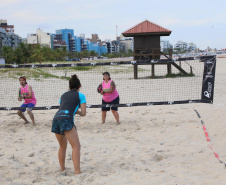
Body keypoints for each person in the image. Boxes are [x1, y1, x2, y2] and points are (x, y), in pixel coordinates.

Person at [51, 74, 86, 175]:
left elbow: (64, 106)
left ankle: (62, 169)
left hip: (56, 118)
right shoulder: (81, 95)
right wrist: (78, 112)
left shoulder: (63, 95)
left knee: (62, 146)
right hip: (66, 119)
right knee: (76, 146)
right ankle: (77, 171)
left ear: (69, 86)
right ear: (80, 86)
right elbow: (83, 113)